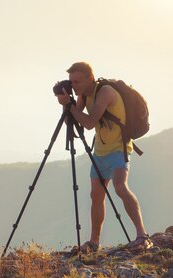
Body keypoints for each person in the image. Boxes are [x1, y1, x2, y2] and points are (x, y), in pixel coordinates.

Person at [57, 61, 152, 253]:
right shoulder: (84, 95)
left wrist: (70, 105)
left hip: (119, 149)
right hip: (100, 152)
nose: (74, 86)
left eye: (76, 82)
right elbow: (74, 118)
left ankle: (142, 236)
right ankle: (94, 242)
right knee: (96, 195)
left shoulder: (105, 92)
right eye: (71, 82)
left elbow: (89, 123)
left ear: (89, 78)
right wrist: (67, 105)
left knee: (120, 187)